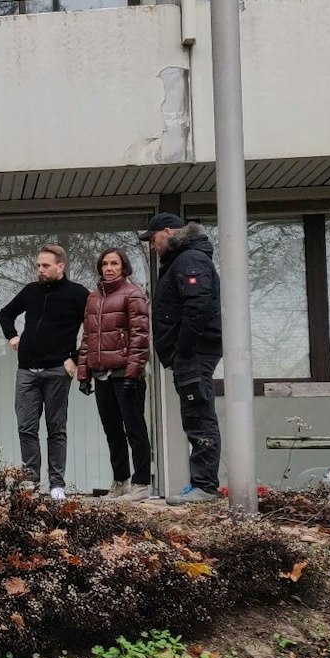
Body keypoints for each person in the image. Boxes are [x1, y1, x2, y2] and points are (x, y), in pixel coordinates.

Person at [139, 212, 223, 504]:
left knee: (199, 415)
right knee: (194, 415)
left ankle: (205, 486)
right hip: (190, 352)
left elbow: (198, 304)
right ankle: (200, 484)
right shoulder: (184, 259)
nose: (152, 245)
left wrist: (183, 347)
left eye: (153, 238)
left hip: (195, 352)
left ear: (167, 232)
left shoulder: (190, 260)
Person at [0, 244, 88, 500]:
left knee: (56, 429)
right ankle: (31, 482)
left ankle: (57, 485)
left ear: (61, 266)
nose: (40, 270)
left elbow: (94, 328)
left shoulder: (77, 294)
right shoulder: (31, 291)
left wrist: (75, 359)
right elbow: (6, 313)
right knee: (26, 428)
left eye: (45, 265)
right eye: (38, 265)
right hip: (26, 370)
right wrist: (12, 336)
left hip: (58, 371)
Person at [77, 247, 154, 500]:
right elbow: (88, 337)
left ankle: (141, 484)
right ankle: (120, 481)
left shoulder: (133, 294)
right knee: (112, 430)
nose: (109, 268)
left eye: (115, 264)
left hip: (125, 374)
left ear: (124, 267)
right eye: (105, 264)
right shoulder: (93, 298)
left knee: (135, 429)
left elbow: (140, 337)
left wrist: (134, 372)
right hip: (101, 375)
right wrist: (83, 373)